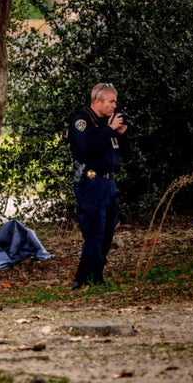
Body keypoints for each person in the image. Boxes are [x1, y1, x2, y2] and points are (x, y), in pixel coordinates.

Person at [68, 83, 129, 290]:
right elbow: (87, 147)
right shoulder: (82, 122)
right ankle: (92, 278)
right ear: (97, 101)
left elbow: (120, 153)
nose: (115, 106)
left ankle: (84, 276)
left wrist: (120, 133)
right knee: (95, 232)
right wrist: (109, 130)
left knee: (107, 233)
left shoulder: (106, 124)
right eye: (111, 101)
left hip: (109, 182)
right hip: (91, 183)